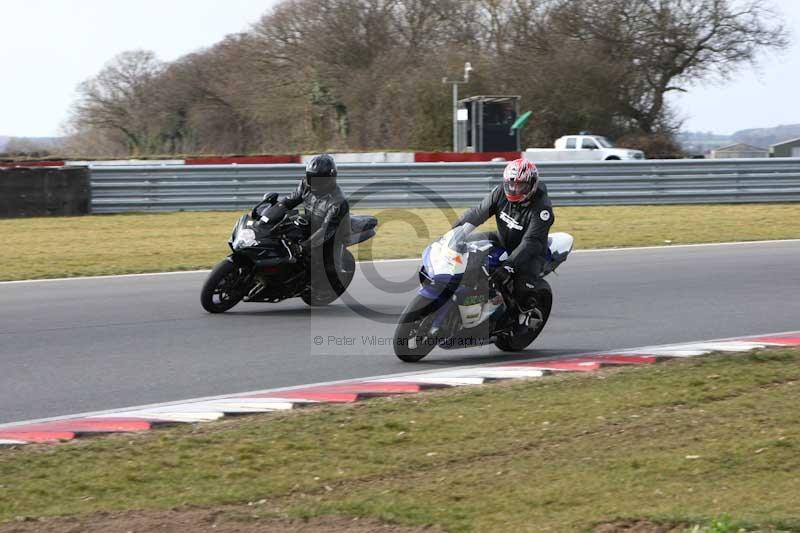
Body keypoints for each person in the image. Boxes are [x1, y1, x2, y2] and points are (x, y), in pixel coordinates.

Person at [451, 158, 554, 324]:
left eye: (521, 185)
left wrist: (509, 266)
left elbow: (531, 242)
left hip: (530, 253)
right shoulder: (500, 192)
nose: (514, 189)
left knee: (521, 289)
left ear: (532, 185)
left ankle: (524, 315)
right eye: (511, 184)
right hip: (503, 238)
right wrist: (454, 234)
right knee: (465, 249)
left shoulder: (543, 209)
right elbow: (477, 213)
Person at [275, 154, 351, 302]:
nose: (314, 182)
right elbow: (290, 201)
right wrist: (274, 210)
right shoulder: (306, 185)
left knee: (326, 263)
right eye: (311, 177)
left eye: (319, 179)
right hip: (311, 222)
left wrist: (304, 246)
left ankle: (329, 286)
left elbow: (325, 231)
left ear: (330, 179)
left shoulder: (338, 202)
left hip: (333, 232)